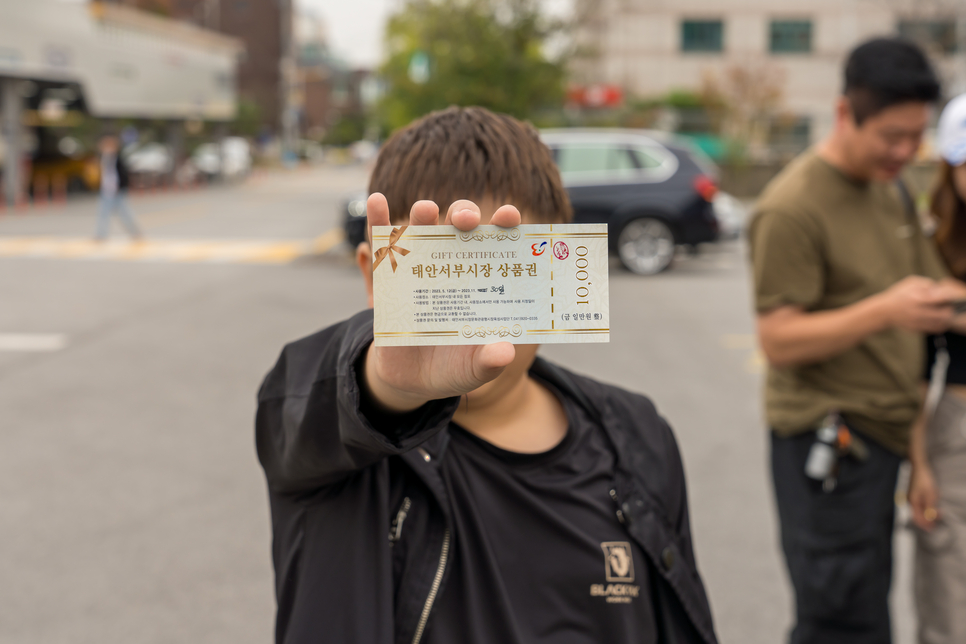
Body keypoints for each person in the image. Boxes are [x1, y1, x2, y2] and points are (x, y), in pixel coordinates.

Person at [255, 107, 717, 644]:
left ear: (558, 270)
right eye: (441, 272)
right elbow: (303, 403)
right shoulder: (334, 455)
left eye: (504, 269)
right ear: (372, 276)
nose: (474, 311)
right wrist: (387, 388)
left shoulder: (638, 436)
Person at [748, 38, 966, 644]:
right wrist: (885, 310)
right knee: (840, 620)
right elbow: (779, 340)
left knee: (868, 608)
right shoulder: (791, 209)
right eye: (891, 136)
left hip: (887, 436)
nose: (906, 152)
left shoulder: (888, 185)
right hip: (830, 443)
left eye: (915, 136)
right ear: (846, 113)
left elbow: (934, 291)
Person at [908, 93, 966, 644]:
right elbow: (917, 367)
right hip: (956, 427)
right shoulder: (935, 242)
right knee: (947, 606)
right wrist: (918, 462)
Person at [94, 134, 142, 241]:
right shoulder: (104, 158)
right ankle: (101, 235)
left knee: (124, 214)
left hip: (117, 191)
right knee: (103, 213)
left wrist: (120, 187)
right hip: (106, 190)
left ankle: (135, 233)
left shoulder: (118, 159)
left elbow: (123, 174)